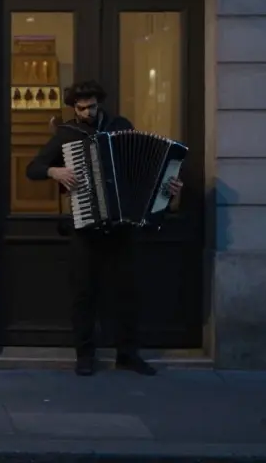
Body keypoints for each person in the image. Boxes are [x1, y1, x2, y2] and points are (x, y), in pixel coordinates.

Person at [25, 80, 182, 377]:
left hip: (122, 228)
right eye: (81, 108)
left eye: (92, 106)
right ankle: (85, 356)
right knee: (84, 295)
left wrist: (168, 187)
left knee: (127, 293)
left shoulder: (120, 126)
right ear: (73, 107)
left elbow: (150, 168)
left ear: (99, 103)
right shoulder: (66, 135)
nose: (87, 112)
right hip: (85, 229)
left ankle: (128, 353)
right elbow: (32, 168)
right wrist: (54, 170)